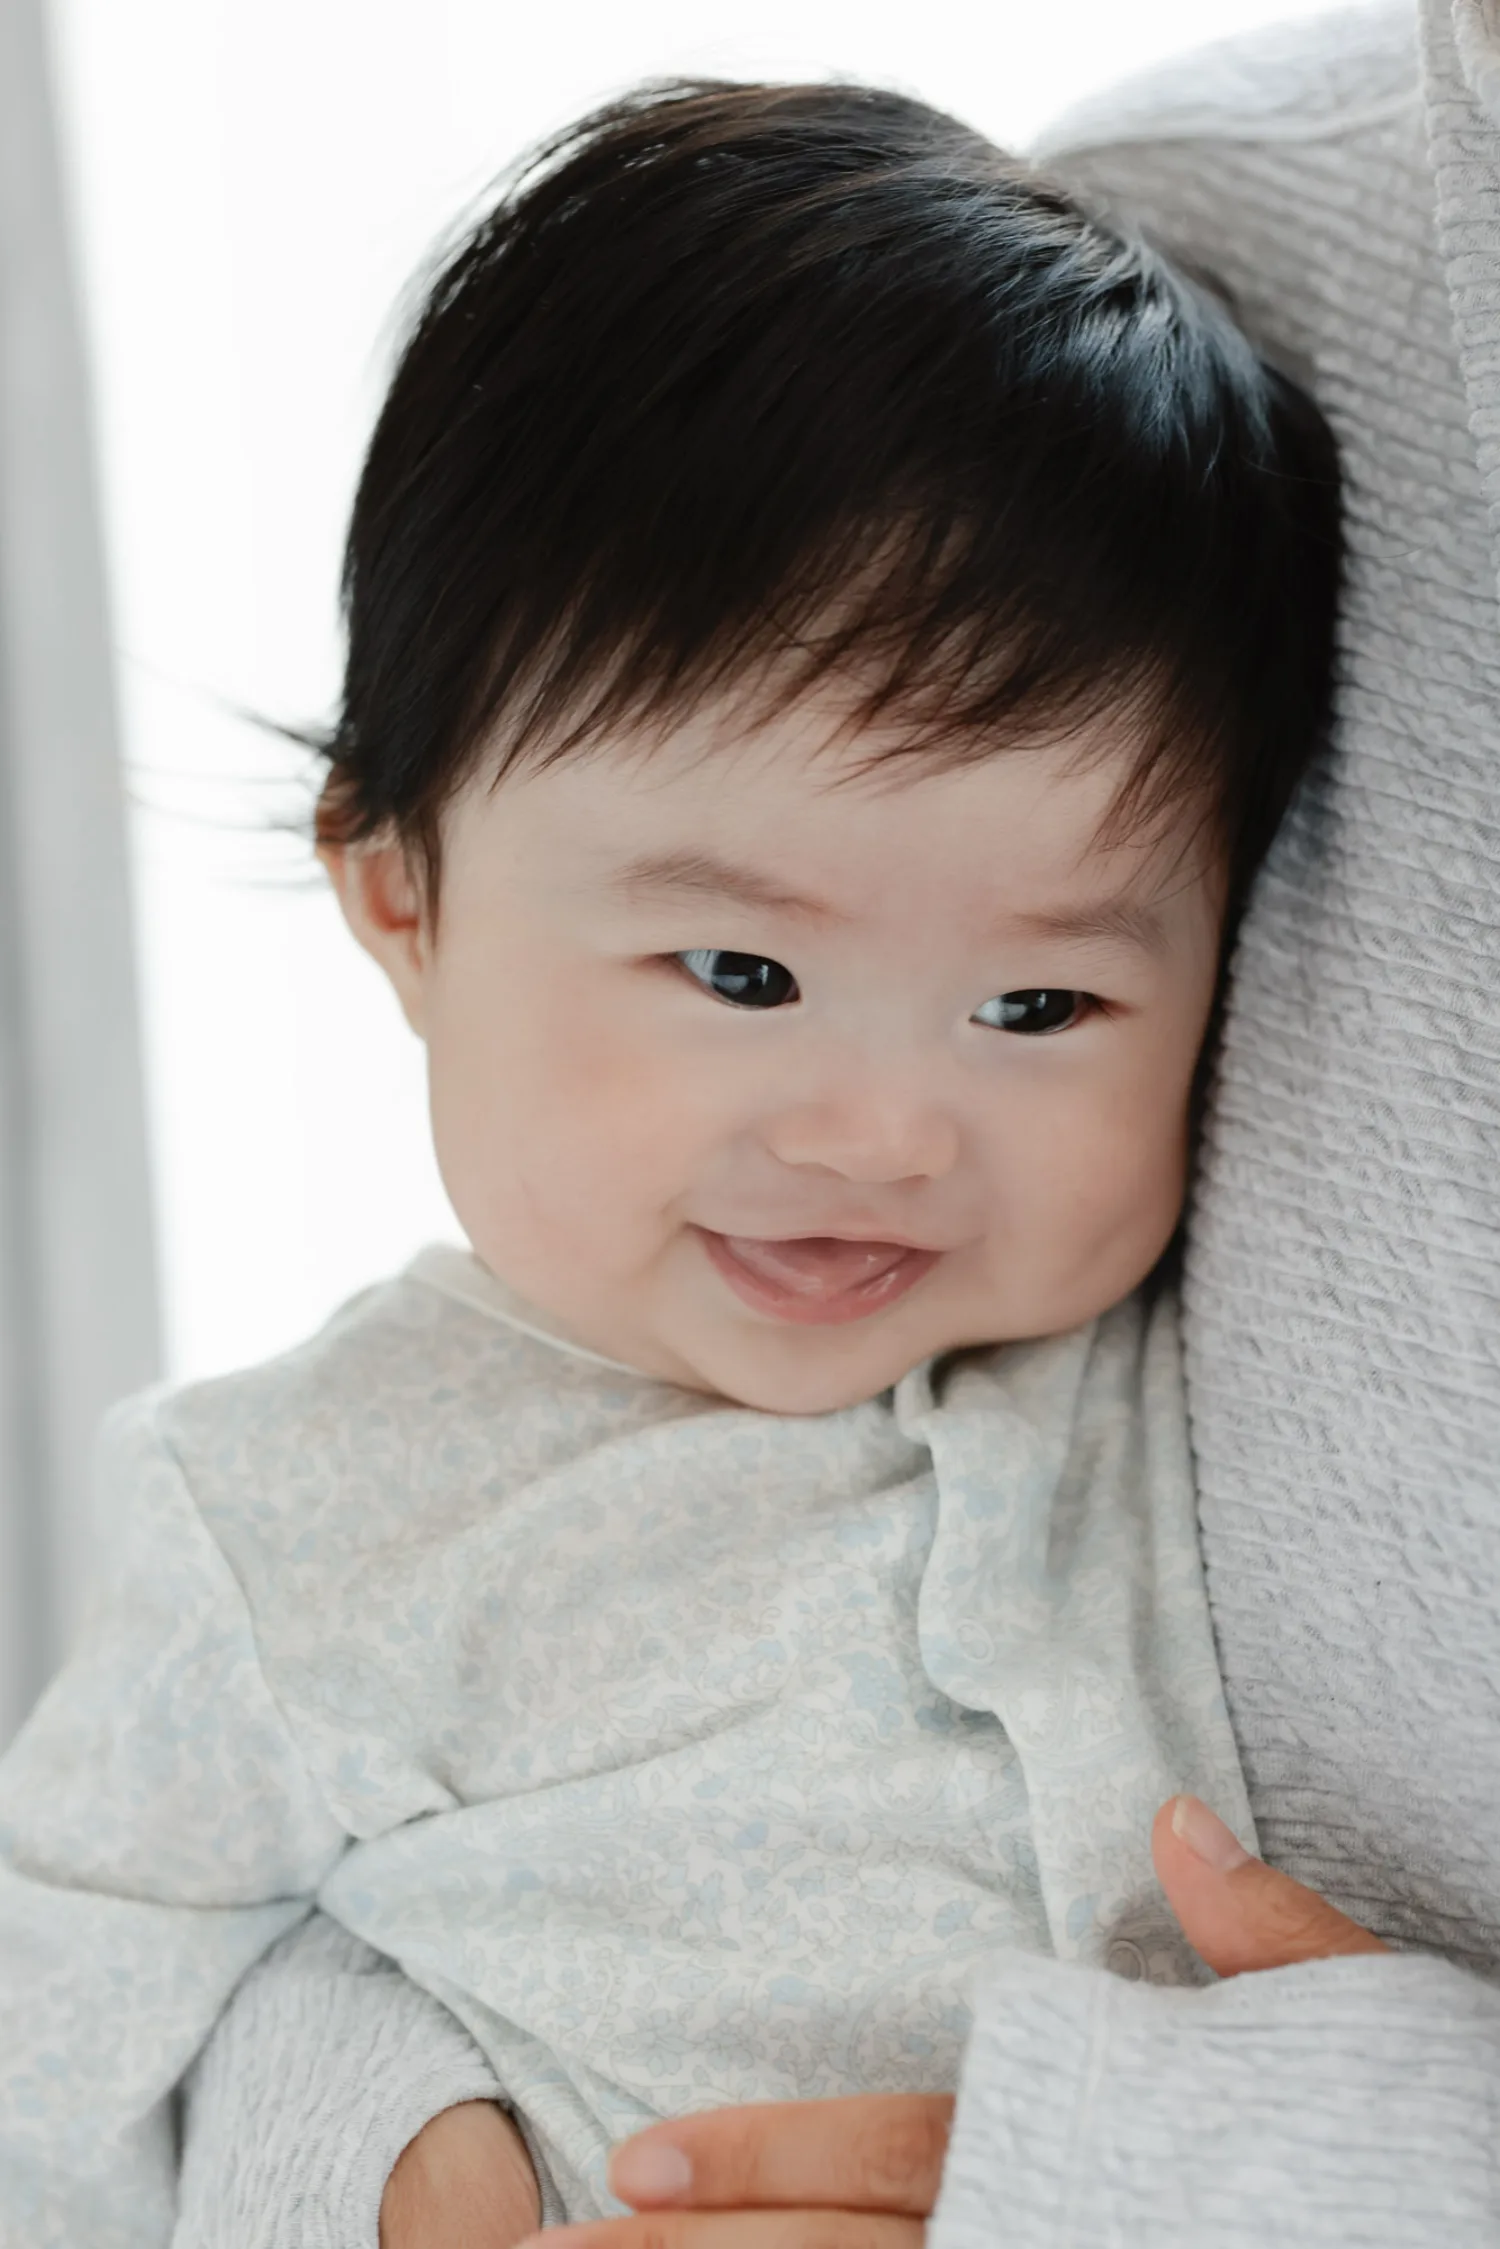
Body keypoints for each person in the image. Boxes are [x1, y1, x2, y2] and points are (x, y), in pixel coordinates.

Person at [171, 5, 1500, 2248]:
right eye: (747, 975)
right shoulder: (1197, 256)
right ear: (397, 893)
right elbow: (99, 1979)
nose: (887, 1133)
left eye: (1039, 1005)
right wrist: (375, 2155)